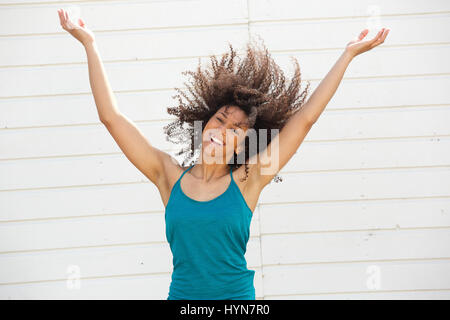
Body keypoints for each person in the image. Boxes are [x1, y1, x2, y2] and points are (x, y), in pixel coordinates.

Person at [57, 8, 390, 300]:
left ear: (243, 144)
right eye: (219, 120)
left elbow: (304, 120)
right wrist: (89, 43)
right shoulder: (167, 175)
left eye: (236, 130)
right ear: (204, 125)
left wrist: (347, 55)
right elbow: (111, 119)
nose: (222, 131)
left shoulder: (250, 178)